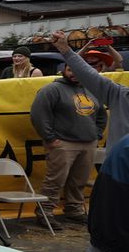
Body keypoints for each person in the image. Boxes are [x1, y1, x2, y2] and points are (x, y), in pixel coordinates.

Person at [29, 54, 108, 226]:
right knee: (56, 180)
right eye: (69, 69)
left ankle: (74, 210)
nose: (73, 73)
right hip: (63, 142)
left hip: (88, 143)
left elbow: (102, 114)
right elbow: (39, 114)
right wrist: (49, 138)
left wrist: (97, 134)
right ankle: (45, 212)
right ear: (64, 70)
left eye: (76, 70)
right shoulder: (52, 89)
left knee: (79, 180)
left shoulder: (92, 89)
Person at [50, 31, 128, 147]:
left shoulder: (113, 84)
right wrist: (69, 49)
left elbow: (118, 61)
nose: (91, 61)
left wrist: (107, 45)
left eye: (95, 59)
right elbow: (83, 70)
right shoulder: (119, 94)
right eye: (88, 59)